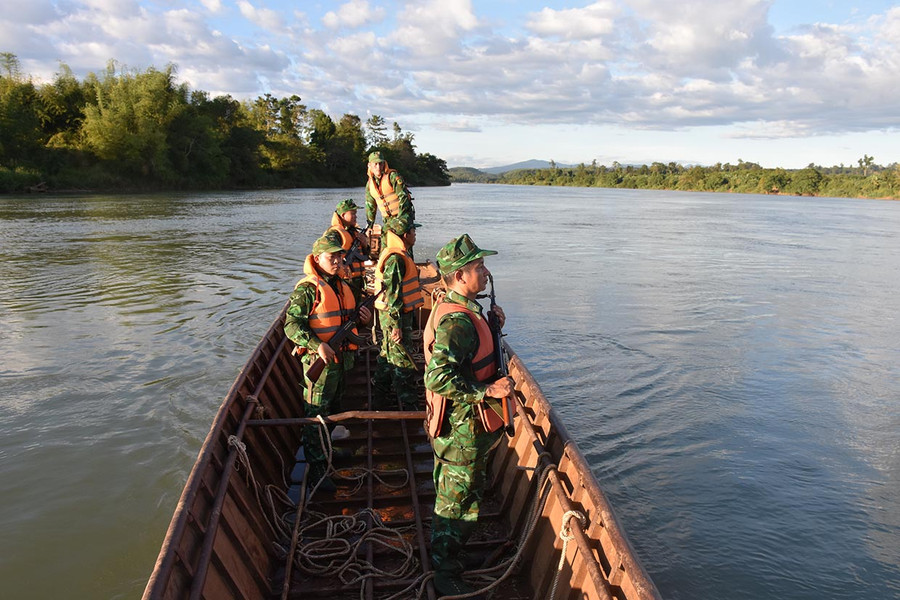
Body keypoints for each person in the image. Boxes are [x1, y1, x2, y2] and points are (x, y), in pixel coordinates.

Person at [423, 234, 515, 598]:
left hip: (467, 431)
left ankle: (453, 557)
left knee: (462, 497)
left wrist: (494, 326)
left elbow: (471, 357)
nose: (486, 271)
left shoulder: (464, 308)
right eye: (479, 267)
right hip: (461, 432)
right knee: (457, 503)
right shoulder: (457, 323)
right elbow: (437, 377)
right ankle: (445, 571)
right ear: (460, 276)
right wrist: (487, 391)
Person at [284, 231, 372, 492]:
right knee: (316, 416)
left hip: (341, 361)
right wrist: (316, 344)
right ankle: (317, 471)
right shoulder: (308, 289)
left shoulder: (342, 285)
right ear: (317, 259)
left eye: (339, 256)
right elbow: (291, 325)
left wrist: (364, 320)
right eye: (331, 256)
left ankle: (329, 450)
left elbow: (347, 320)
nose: (337, 260)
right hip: (319, 364)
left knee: (333, 410)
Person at [372, 218, 424, 410]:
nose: (415, 234)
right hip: (395, 317)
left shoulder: (401, 254)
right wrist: (396, 326)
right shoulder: (395, 260)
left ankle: (379, 399)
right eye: (413, 231)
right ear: (405, 235)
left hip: (398, 316)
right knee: (403, 361)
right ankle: (410, 407)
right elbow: (392, 295)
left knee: (387, 356)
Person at [365, 151, 415, 251]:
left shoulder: (393, 177)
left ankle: (406, 259)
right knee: (385, 246)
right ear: (369, 165)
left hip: (403, 216)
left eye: (380, 163)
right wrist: (369, 226)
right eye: (375, 164)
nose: (378, 167)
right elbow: (370, 207)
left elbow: (404, 197)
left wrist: (400, 219)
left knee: (402, 244)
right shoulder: (369, 185)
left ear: (384, 163)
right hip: (388, 220)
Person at [327, 198, 369, 301]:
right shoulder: (334, 233)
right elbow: (327, 255)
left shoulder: (354, 232)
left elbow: (366, 256)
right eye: (353, 213)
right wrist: (341, 265)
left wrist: (365, 244)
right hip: (345, 281)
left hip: (358, 281)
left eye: (356, 213)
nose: (356, 216)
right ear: (343, 215)